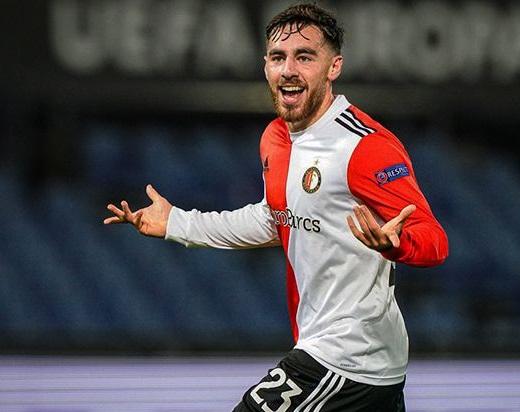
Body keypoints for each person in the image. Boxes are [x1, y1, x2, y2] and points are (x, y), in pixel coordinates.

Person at [104, 3, 448, 411]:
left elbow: (434, 239)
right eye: (278, 57)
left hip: (349, 356)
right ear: (265, 65)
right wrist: (178, 223)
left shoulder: (365, 146)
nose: (288, 70)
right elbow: (275, 218)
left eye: (305, 57)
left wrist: (398, 244)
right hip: (347, 356)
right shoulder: (276, 138)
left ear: (333, 67)